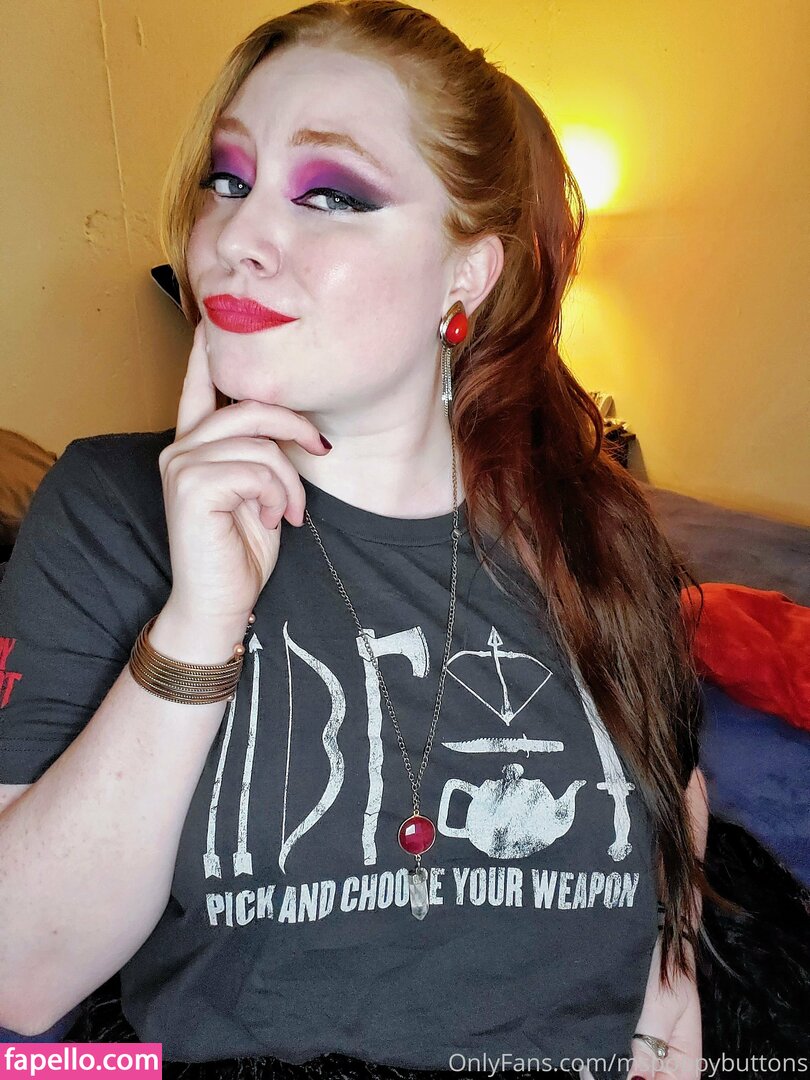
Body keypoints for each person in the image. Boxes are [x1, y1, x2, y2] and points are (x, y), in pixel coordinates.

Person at [0, 3, 716, 1078]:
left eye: (331, 195)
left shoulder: (597, 529)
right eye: (227, 180)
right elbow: (21, 971)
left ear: (467, 274)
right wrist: (200, 621)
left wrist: (669, 1024)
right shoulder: (109, 508)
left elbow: (674, 811)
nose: (236, 238)